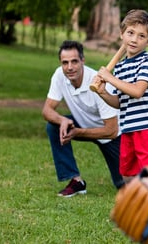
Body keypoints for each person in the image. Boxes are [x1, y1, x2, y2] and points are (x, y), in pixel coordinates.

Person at [42, 40, 124, 197]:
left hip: (113, 135)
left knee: (123, 185)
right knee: (54, 126)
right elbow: (47, 110)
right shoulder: (60, 75)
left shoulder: (99, 83)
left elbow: (112, 131)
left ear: (83, 61)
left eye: (74, 61)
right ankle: (76, 181)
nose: (69, 67)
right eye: (65, 63)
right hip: (83, 125)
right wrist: (62, 121)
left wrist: (77, 132)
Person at [94, 9, 148, 183]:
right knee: (127, 174)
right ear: (122, 34)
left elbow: (137, 91)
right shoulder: (120, 67)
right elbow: (120, 102)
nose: (134, 40)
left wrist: (109, 78)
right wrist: (102, 92)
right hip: (128, 129)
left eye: (142, 36)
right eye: (130, 33)